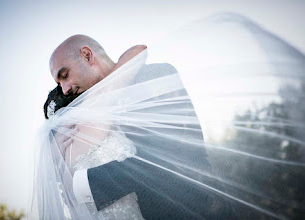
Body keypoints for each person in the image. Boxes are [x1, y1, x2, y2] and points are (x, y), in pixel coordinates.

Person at [39, 34, 236, 220]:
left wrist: (81, 185)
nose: (64, 89)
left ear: (87, 55)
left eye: (65, 75)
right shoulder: (90, 113)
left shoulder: (153, 75)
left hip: (196, 210)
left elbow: (169, 154)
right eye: (59, 83)